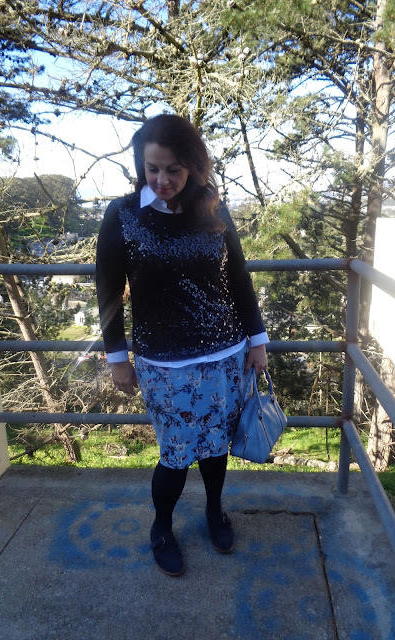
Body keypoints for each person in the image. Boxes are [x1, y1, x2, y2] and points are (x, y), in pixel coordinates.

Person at [96, 113, 268, 577]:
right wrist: (117, 358)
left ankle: (214, 511)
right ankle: (162, 526)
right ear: (141, 165)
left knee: (215, 448)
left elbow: (239, 278)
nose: (162, 179)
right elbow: (108, 290)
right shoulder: (123, 215)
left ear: (192, 165)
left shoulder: (212, 209)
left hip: (223, 356)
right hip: (163, 364)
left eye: (173, 169)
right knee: (174, 454)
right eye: (152, 168)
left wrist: (256, 340)